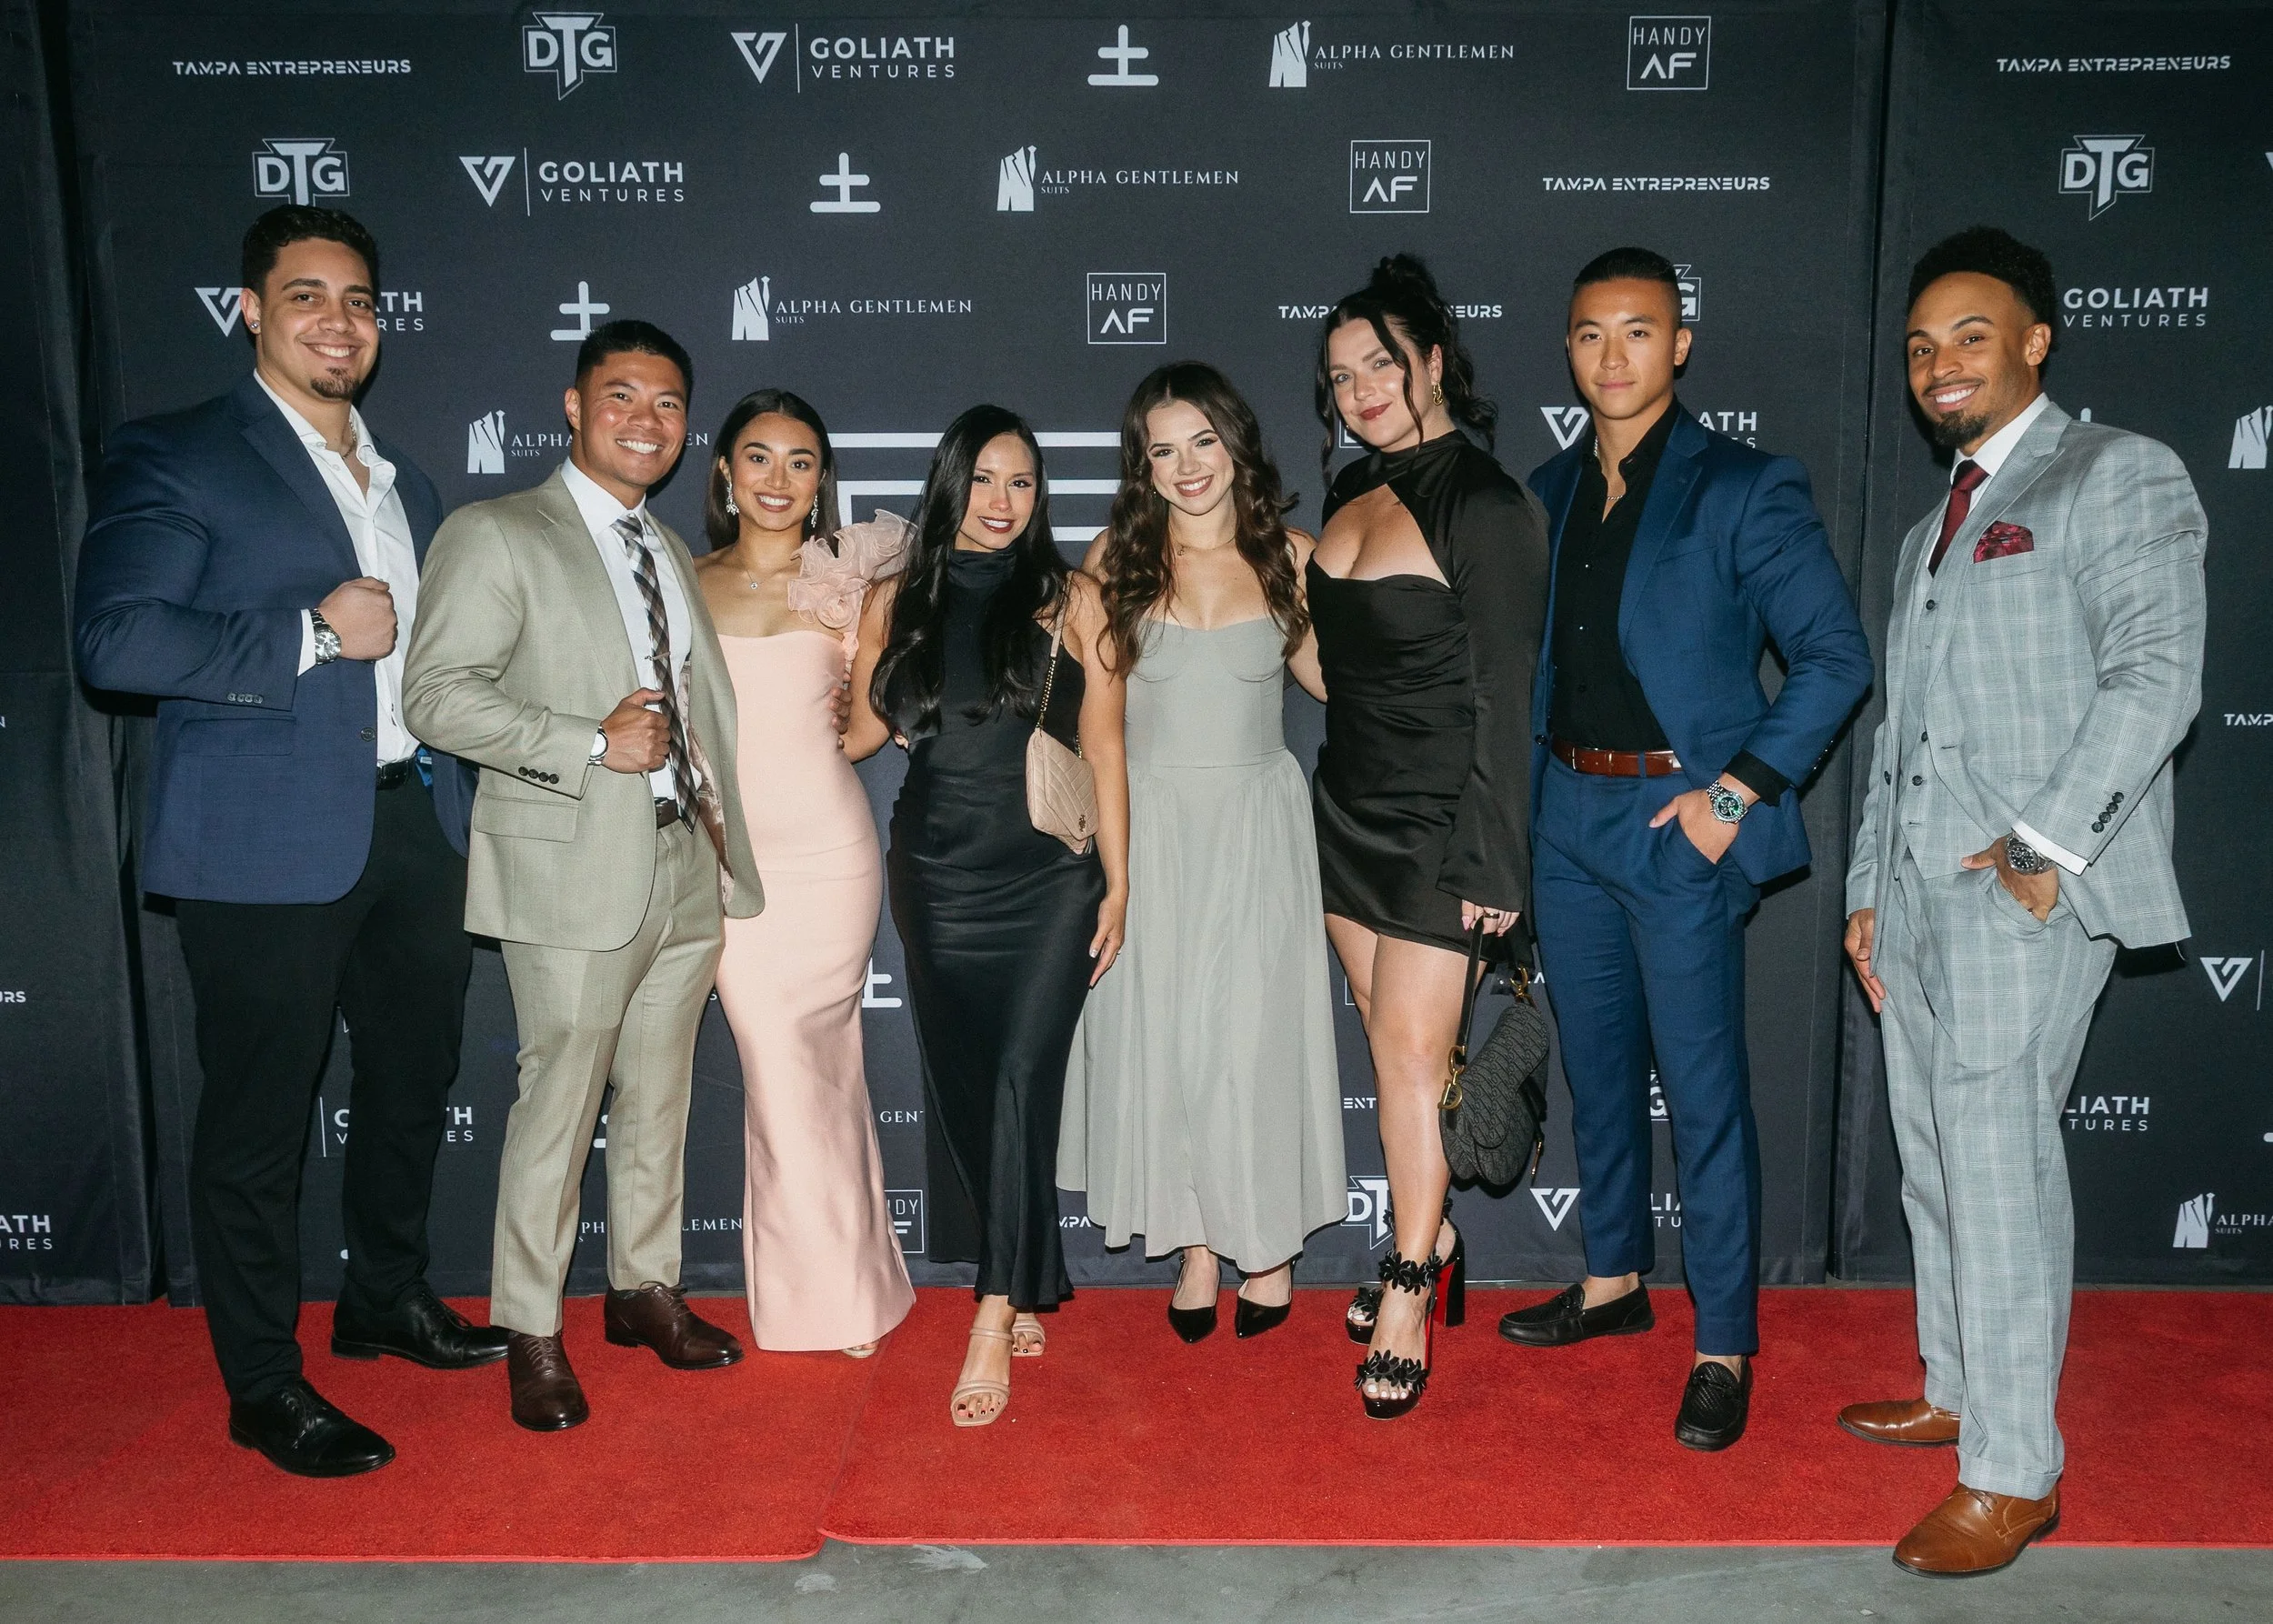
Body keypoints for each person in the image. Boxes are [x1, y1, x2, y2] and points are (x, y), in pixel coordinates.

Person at [74, 206, 504, 1478]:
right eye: (308, 296)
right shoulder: (181, 454)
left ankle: (386, 1296)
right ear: (250, 309)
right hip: (261, 846)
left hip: (410, 822)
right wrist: (308, 634)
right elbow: (114, 642)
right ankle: (262, 1384)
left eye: (361, 300)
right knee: (260, 1122)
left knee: (414, 1081)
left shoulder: (406, 482)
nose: (339, 321)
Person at [1842, 226, 2206, 1576]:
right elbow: (1905, 725)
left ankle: (2013, 1471)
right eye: (1924, 345)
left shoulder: (2114, 472)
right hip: (1920, 894)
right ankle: (1957, 1387)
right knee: (1940, 1157)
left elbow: (2157, 674)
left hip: (2022, 895)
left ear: (2039, 339)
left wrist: (2043, 849)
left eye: (1972, 336)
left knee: (1994, 1162)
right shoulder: (1937, 514)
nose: (1942, 364)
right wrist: (1874, 883)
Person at [1502, 247, 1869, 1453]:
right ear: (1568, 349)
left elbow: (1833, 656)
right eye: (1591, 334)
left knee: (1704, 1095)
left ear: (1682, 343)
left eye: (1639, 332)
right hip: (1566, 815)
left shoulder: (1744, 486)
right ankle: (1613, 1281)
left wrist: (1738, 792)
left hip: (1678, 823)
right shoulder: (1544, 492)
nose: (1614, 356)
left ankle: (1724, 1342)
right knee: (1597, 1075)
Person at [403, 320, 764, 1432]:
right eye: (621, 397)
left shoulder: (662, 545)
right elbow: (436, 694)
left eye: (666, 404)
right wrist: (582, 741)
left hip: (680, 862)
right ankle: (532, 1326)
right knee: (557, 1104)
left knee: (659, 1093)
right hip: (570, 867)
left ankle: (643, 1289)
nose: (645, 421)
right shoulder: (497, 531)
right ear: (572, 405)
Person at [852, 406, 1128, 1426]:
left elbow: (1105, 751)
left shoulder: (1070, 597)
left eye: (1021, 483)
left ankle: (991, 1307)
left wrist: (1120, 883)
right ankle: (1026, 1264)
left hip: (1048, 875)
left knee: (1021, 1072)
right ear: (949, 483)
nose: (1003, 503)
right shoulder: (897, 598)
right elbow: (857, 737)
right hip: (933, 867)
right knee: (969, 1076)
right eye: (983, 480)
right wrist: (822, 626)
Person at [1308, 256, 1549, 1418]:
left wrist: (1495, 864)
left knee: (1413, 1065)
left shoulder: (1487, 505)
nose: (1359, 389)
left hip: (1440, 828)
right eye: (1341, 374)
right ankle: (1432, 1219)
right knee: (1383, 1043)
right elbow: (1328, 670)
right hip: (1344, 814)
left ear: (1434, 362)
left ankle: (1408, 1281)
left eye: (1380, 366)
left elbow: (1508, 694)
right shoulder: (1353, 490)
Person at [1061, 362, 1344, 1343]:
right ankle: (1189, 1242)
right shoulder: (1113, 559)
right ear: (1142, 466)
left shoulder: (1291, 559)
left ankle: (1263, 1245)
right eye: (1161, 449)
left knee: (1251, 1039)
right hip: (1149, 829)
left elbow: (1334, 687)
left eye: (1201, 443)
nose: (1186, 467)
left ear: (1235, 445)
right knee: (1168, 1034)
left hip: (1258, 829)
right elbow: (1087, 720)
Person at [691, 388, 915, 1358]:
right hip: (716, 858)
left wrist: (863, 699)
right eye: (758, 458)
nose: (778, 480)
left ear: (824, 479)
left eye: (800, 461)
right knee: (782, 1070)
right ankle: (835, 1292)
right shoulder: (679, 578)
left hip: (826, 855)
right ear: (724, 474)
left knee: (814, 1068)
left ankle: (839, 1298)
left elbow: (867, 729)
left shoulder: (859, 580)